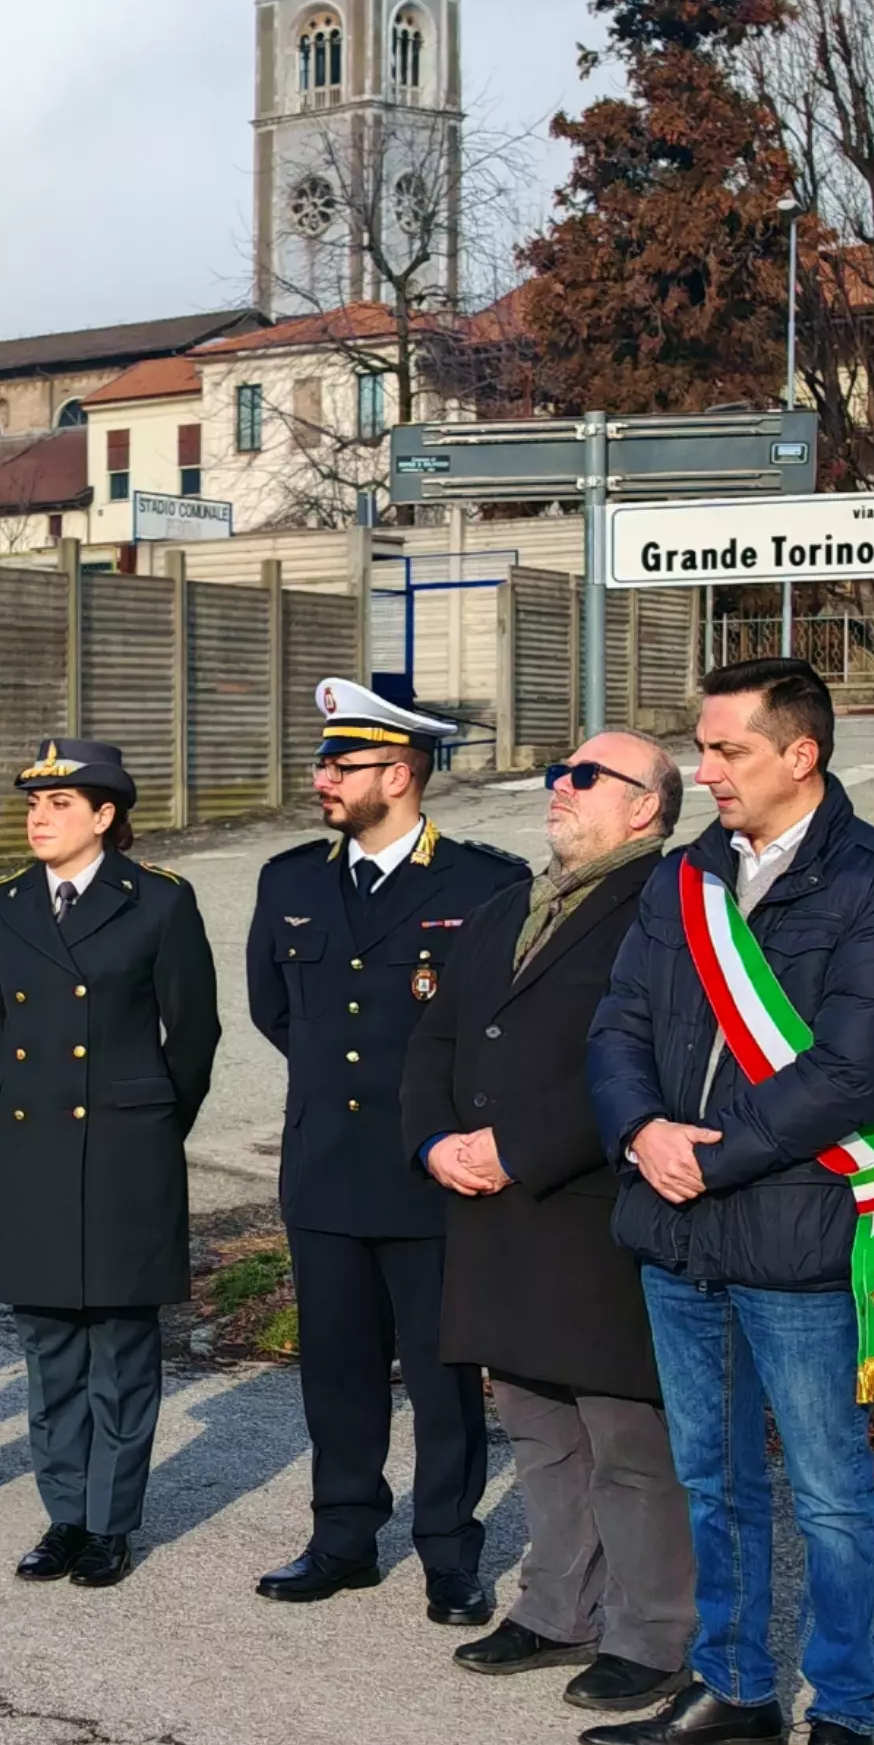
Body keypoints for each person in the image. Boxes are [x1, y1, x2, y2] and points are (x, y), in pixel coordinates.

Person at [584, 657, 874, 1745]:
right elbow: (619, 1018)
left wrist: (711, 1152)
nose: (706, 769)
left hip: (788, 1225)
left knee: (831, 1491)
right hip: (674, 1228)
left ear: (802, 754)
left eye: (729, 748)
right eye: (702, 746)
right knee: (710, 1474)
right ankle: (735, 1686)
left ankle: (841, 1716)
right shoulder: (684, 875)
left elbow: (854, 1069)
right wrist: (639, 1128)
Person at [404, 734, 692, 1714]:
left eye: (582, 778)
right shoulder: (506, 907)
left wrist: (518, 1146)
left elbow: (646, 1057)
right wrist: (433, 1140)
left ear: (646, 807)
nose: (556, 790)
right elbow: (435, 1038)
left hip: (591, 1206)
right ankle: (557, 1605)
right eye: (556, 775)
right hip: (493, 1211)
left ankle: (651, 1634)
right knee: (534, 1422)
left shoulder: (665, 906)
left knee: (625, 1436)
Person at [241, 680, 529, 1616]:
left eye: (343, 764)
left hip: (430, 1173)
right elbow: (274, 1010)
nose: (322, 778)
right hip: (325, 1164)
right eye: (324, 761)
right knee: (336, 1369)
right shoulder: (290, 880)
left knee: (445, 1377)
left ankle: (448, 1549)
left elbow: (501, 1026)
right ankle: (343, 1537)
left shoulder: (486, 885)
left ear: (400, 774)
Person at [0, 738, 221, 1586]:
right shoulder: (1, 906)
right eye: (33, 803)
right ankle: (64, 1514)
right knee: (49, 1348)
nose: (38, 817)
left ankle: (111, 1522)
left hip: (121, 1149)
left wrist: (141, 1122)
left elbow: (194, 1035)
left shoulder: (158, 903)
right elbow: (8, 1025)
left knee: (119, 1344)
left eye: (61, 804)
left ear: (106, 816)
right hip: (28, 1146)